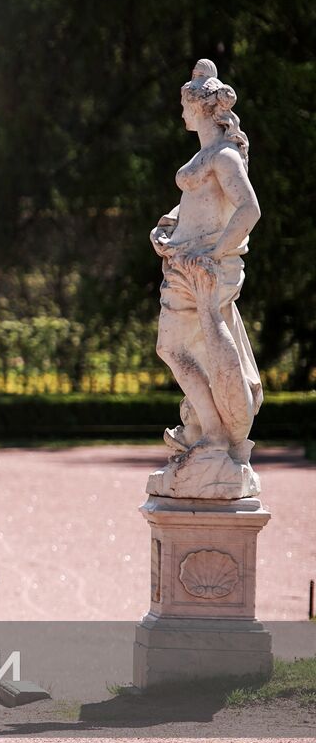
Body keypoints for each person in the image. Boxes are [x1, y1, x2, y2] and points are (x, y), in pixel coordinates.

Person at [149, 59, 263, 464]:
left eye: (185, 105)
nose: (181, 112)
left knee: (172, 347)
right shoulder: (210, 154)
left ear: (199, 108)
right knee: (176, 348)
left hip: (201, 270)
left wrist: (211, 256)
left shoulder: (224, 157)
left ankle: (215, 432)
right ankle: (208, 428)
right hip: (183, 264)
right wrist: (169, 225)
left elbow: (248, 210)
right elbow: (202, 206)